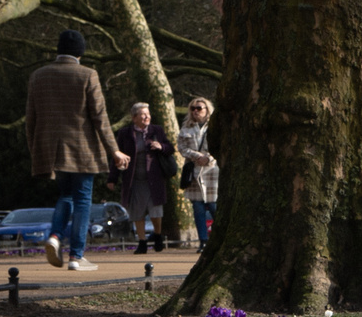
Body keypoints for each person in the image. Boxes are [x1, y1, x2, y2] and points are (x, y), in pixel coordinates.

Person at [26, 30, 125, 271]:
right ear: (81, 52)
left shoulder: (39, 75)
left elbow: (31, 118)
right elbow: (100, 117)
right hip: (83, 150)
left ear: (58, 50)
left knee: (65, 195)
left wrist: (35, 150)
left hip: (52, 150)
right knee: (82, 200)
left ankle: (55, 236)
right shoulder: (88, 74)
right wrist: (115, 150)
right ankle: (76, 256)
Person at [115, 101, 177, 253]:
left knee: (156, 212)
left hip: (154, 179)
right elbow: (116, 156)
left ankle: (157, 235)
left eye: (148, 114)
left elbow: (171, 148)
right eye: (142, 114)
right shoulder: (124, 133)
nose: (146, 117)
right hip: (134, 180)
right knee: (137, 213)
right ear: (134, 117)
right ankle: (142, 242)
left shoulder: (157, 130)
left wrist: (161, 146)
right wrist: (112, 178)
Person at [176, 95, 219, 244]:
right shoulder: (186, 128)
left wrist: (209, 158)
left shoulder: (215, 126)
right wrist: (196, 156)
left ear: (207, 110)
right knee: (198, 210)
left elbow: (221, 145)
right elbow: (181, 147)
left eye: (199, 108)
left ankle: (219, 239)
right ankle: (203, 240)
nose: (195, 111)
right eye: (193, 108)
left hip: (212, 172)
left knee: (215, 208)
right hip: (194, 173)